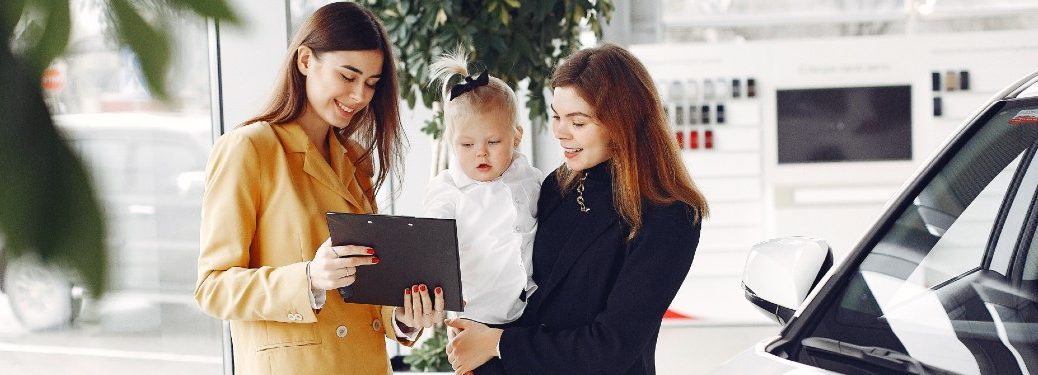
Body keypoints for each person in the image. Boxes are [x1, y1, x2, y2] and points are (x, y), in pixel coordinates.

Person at [194, 3, 444, 374]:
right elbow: (212, 288)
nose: (359, 95)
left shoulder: (356, 158)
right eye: (348, 76)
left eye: (371, 83)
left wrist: (404, 318)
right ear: (306, 60)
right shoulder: (250, 149)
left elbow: (365, 283)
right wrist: (309, 278)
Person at [444, 43, 709, 374]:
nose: (559, 132)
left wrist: (495, 344)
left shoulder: (670, 215)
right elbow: (523, 294)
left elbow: (610, 347)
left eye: (578, 122)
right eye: (556, 117)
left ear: (622, 122)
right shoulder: (560, 184)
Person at [423, 51, 542, 327]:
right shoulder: (447, 190)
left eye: (493, 142)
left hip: (531, 312)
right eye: (467, 145)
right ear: (452, 142)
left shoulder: (528, 178)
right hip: (475, 316)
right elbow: (432, 242)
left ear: (516, 137)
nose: (481, 154)